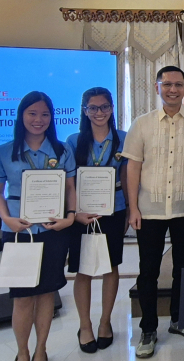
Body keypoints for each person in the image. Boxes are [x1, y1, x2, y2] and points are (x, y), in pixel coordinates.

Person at [122, 66, 184, 357]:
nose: (173, 89)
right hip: (149, 209)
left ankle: (178, 319)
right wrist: (133, 207)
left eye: (177, 84)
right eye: (167, 84)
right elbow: (132, 166)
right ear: (157, 86)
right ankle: (148, 329)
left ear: (183, 88)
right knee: (147, 271)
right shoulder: (142, 123)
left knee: (183, 270)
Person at [0, 91, 77, 361]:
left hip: (53, 231)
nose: (38, 119)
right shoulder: (5, 151)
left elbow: (70, 187)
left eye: (45, 114)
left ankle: (41, 349)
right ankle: (22, 352)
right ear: (21, 116)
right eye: (32, 113)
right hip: (18, 232)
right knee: (22, 297)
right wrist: (6, 218)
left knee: (46, 293)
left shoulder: (61, 150)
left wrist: (69, 216)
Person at [66, 87, 127, 353]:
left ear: (112, 109)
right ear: (85, 111)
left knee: (110, 266)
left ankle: (105, 323)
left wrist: (129, 209)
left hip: (114, 210)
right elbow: (68, 183)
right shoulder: (72, 141)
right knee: (84, 268)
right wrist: (74, 213)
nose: (99, 112)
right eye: (93, 108)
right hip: (82, 213)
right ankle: (85, 325)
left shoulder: (124, 139)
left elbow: (129, 178)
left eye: (104, 107)